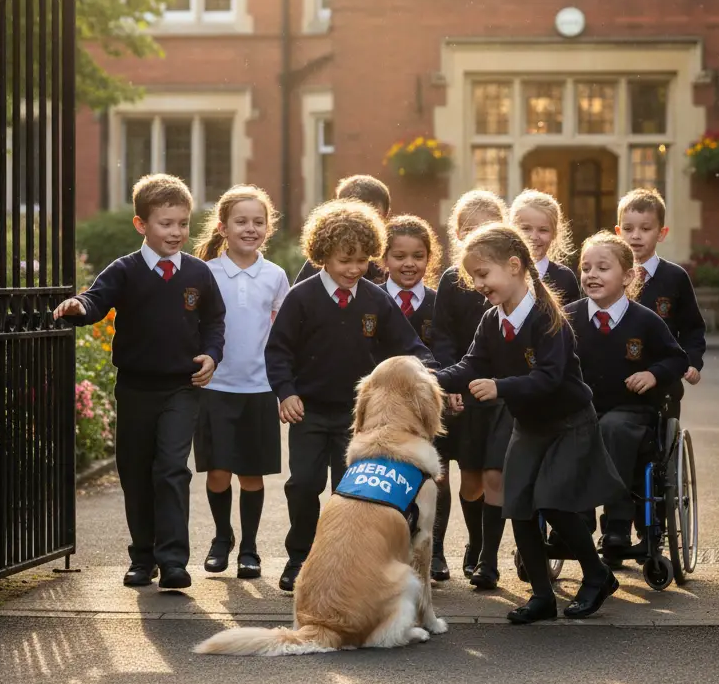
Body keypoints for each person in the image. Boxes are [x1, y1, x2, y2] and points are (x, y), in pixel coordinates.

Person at [435, 223, 625, 623]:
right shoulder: (492, 319)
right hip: (529, 425)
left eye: (483, 274)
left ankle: (597, 574)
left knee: (552, 501)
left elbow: (550, 377)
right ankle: (542, 596)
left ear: (516, 265)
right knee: (517, 505)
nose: (478, 284)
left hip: (569, 421)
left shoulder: (547, 316)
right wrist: (428, 378)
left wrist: (500, 388)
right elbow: (471, 364)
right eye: (473, 278)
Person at [53, 173, 226, 590]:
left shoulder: (198, 274)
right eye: (166, 223)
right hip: (134, 388)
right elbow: (97, 299)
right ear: (141, 225)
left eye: (182, 223)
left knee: (170, 469)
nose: (176, 232)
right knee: (134, 471)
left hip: (182, 388)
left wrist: (212, 354)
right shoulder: (125, 270)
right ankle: (142, 558)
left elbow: (215, 320)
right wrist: (79, 304)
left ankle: (172, 562)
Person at [265, 199, 437, 592]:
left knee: (355, 495)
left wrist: (428, 371)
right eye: (346, 260)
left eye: (362, 260)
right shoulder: (302, 297)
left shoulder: (376, 301)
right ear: (323, 254)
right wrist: (286, 392)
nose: (355, 269)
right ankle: (300, 558)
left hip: (359, 421)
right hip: (308, 412)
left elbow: (408, 344)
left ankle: (352, 564)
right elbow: (278, 351)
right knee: (304, 485)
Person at [566, 231, 688, 566]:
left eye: (603, 268)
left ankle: (617, 524)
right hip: (584, 409)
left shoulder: (645, 320)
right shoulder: (568, 318)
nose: (592, 275)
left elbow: (676, 358)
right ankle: (578, 520)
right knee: (572, 431)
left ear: (628, 276)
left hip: (631, 411)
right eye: (586, 267)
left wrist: (653, 374)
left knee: (613, 429)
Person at [193, 184, 290, 580]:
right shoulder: (206, 272)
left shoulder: (276, 275)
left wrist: (287, 386)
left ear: (268, 228)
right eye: (241, 221)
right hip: (215, 389)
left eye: (258, 222)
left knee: (251, 474)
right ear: (223, 227)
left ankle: (249, 548)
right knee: (218, 472)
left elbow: (284, 335)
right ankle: (222, 539)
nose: (250, 229)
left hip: (260, 390)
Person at [432, 189, 508, 588]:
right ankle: (438, 549)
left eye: (486, 229)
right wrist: (450, 381)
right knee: (445, 474)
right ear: (456, 234)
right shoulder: (450, 281)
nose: (477, 235)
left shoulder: (510, 280)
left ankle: (481, 550)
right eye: (468, 229)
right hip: (457, 389)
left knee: (479, 477)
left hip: (495, 394)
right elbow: (442, 335)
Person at [379, 213, 450, 580]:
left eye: (418, 256)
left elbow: (447, 349)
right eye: (400, 256)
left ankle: (433, 553)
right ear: (384, 259)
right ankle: (388, 551)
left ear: (429, 258)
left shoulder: (441, 302)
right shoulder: (373, 300)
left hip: (425, 407)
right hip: (384, 410)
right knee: (388, 479)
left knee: (432, 480)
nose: (409, 264)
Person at [615, 188, 706, 419]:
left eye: (645, 229)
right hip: (617, 377)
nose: (635, 236)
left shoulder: (675, 277)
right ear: (618, 232)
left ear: (661, 233)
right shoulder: (608, 276)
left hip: (663, 377)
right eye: (628, 229)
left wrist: (692, 362)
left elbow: (691, 327)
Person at [292, 174, 390, 285]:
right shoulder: (323, 259)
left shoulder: (394, 257)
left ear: (384, 216)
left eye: (369, 221)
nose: (359, 227)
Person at [510, 189, 581, 304]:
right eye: (525, 228)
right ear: (511, 229)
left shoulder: (564, 278)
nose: (534, 237)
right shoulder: (501, 273)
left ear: (554, 234)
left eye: (543, 230)